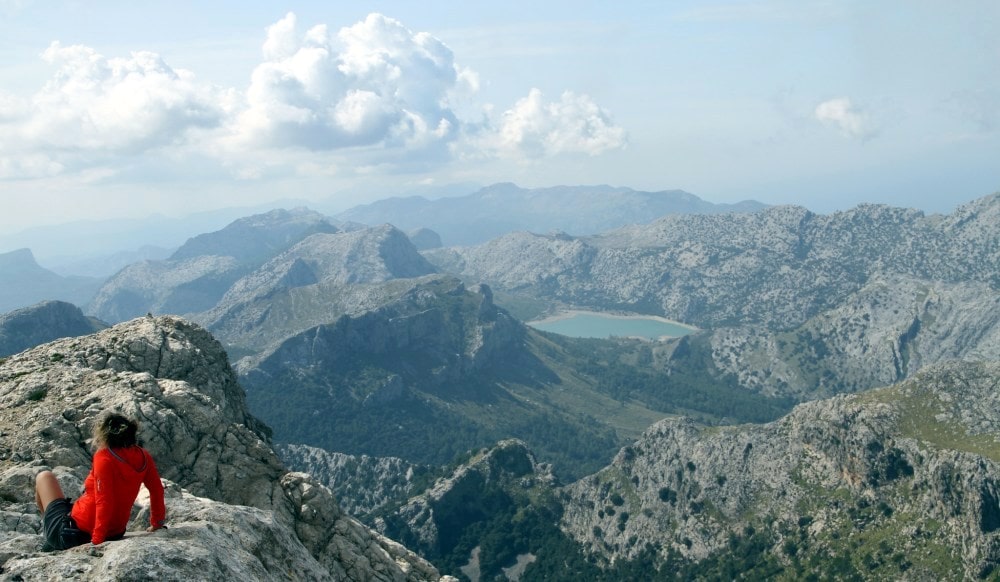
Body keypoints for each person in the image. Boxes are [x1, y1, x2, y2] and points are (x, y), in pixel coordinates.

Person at [35, 410, 167, 550]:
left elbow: (104, 500)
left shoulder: (104, 457)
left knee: (44, 477)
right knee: (71, 506)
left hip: (77, 533)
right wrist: (157, 523)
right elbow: (157, 489)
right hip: (115, 532)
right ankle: (50, 541)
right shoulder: (143, 456)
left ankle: (50, 537)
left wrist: (97, 540)